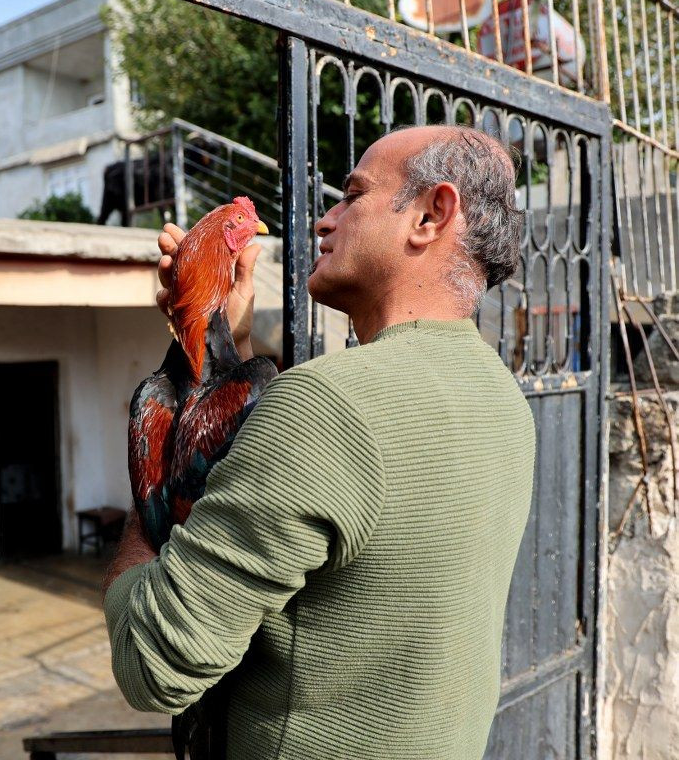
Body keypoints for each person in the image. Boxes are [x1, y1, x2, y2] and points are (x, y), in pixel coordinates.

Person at [102, 125, 536, 760]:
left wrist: (152, 486)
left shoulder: (328, 405)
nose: (325, 220)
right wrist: (222, 346)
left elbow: (155, 664)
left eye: (352, 195)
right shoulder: (501, 398)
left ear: (430, 214)